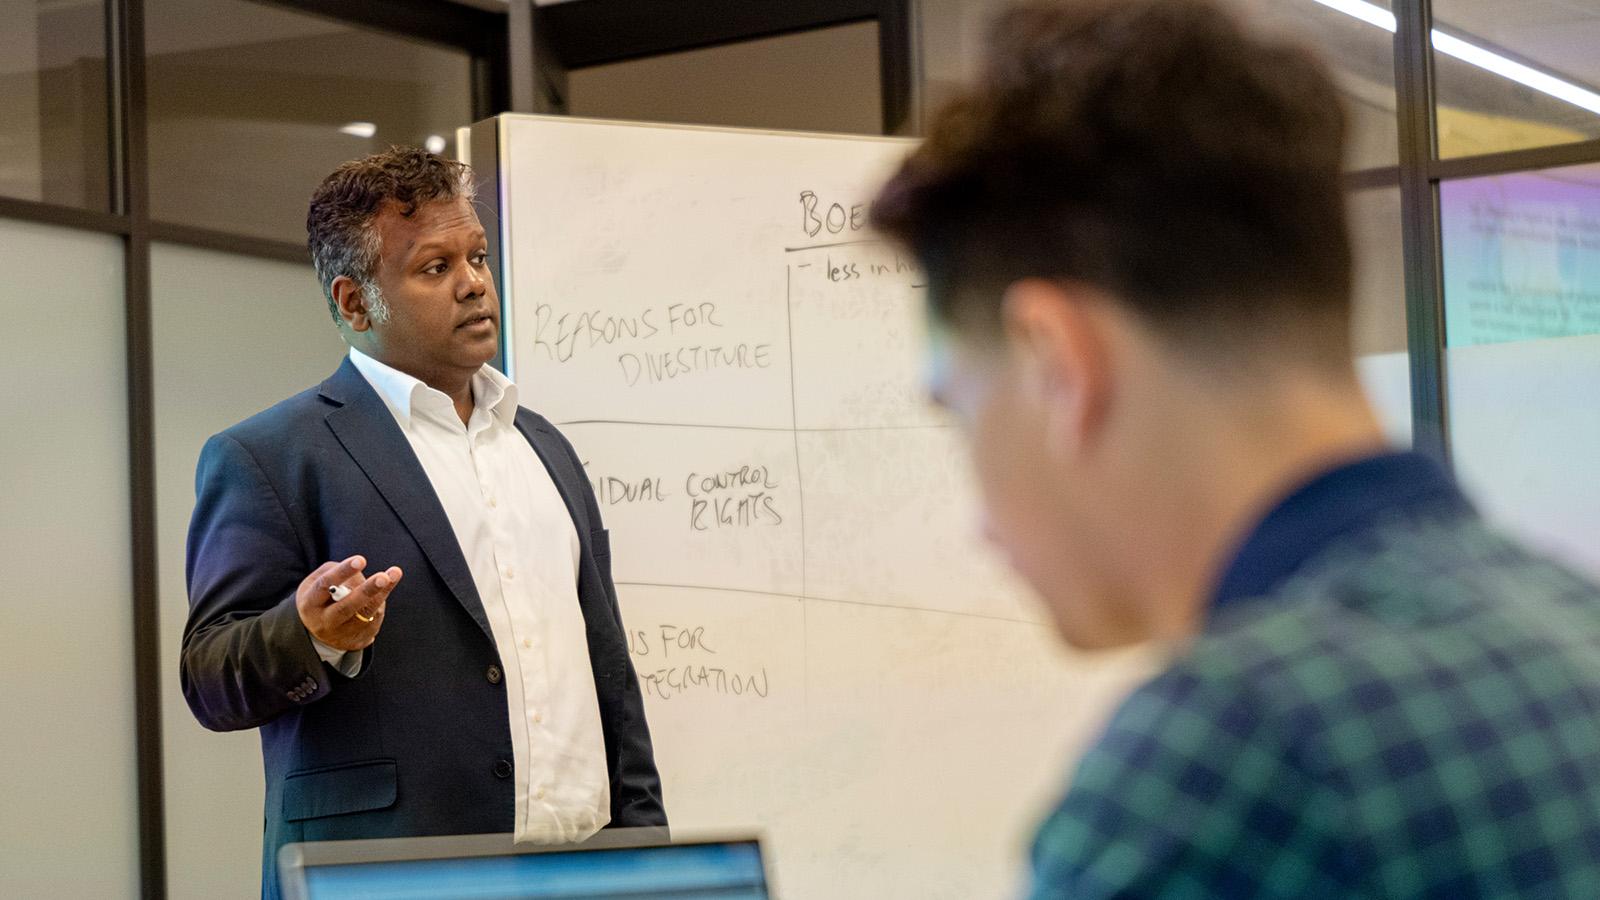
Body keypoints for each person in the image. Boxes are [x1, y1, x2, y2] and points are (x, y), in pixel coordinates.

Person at [871, 1, 1600, 896]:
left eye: (960, 410)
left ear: (1057, 366)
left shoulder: (1234, 756)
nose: (981, 524)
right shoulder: (1566, 619)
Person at [181, 147, 665, 899]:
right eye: (435, 268)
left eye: (476, 256)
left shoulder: (545, 447)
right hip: (394, 878)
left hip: (587, 872)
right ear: (353, 303)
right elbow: (210, 676)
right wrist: (310, 634)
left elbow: (610, 679)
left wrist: (651, 859)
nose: (474, 283)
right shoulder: (270, 457)